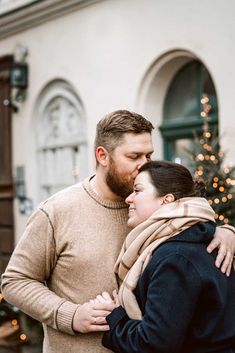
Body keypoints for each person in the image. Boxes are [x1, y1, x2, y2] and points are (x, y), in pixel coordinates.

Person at [1, 111, 235, 353]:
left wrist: (225, 231)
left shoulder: (152, 207)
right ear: (103, 156)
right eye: (134, 156)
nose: (144, 165)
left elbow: (190, 222)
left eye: (149, 155)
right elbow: (15, 281)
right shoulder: (56, 211)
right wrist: (70, 315)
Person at [100, 161, 235, 353]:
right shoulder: (200, 239)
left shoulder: (176, 258)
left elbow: (154, 344)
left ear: (166, 199)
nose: (129, 199)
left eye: (138, 190)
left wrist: (114, 317)